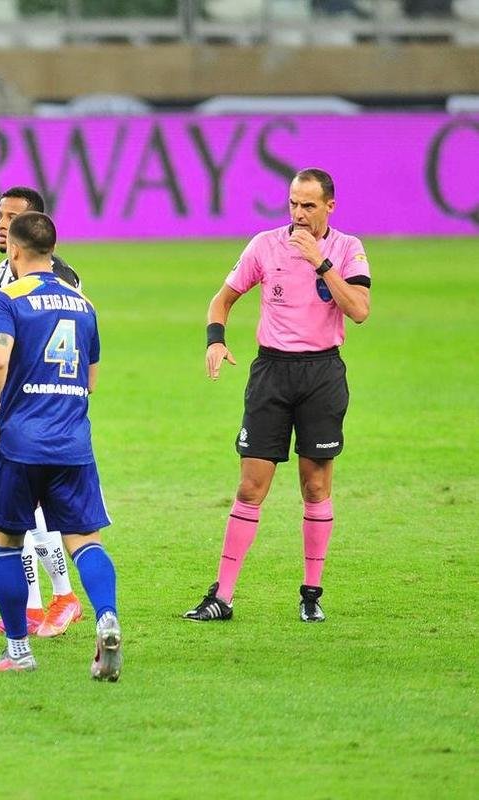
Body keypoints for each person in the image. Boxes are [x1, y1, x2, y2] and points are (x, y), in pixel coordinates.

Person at [184, 168, 371, 623]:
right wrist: (215, 339)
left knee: (315, 484)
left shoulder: (348, 249)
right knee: (251, 485)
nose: (299, 214)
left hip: (322, 372)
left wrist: (319, 262)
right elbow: (221, 299)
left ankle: (311, 594)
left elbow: (360, 311)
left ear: (330, 206)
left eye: (309, 205)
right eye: (293, 204)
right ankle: (222, 597)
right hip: (272, 372)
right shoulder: (265, 245)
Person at [0, 211, 122, 678]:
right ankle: (107, 617)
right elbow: (90, 380)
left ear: (14, 251)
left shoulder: (6, 298)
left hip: (19, 444)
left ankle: (18, 652)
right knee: (85, 541)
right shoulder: (84, 305)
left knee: (5, 544)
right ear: (52, 250)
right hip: (73, 442)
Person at [0, 186, 84, 638]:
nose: (1, 223)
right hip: (17, 401)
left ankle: (64, 597)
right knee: (23, 508)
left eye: (11, 217)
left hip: (47, 404)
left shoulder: (61, 278)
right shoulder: (2, 271)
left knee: (29, 506)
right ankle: (37, 606)